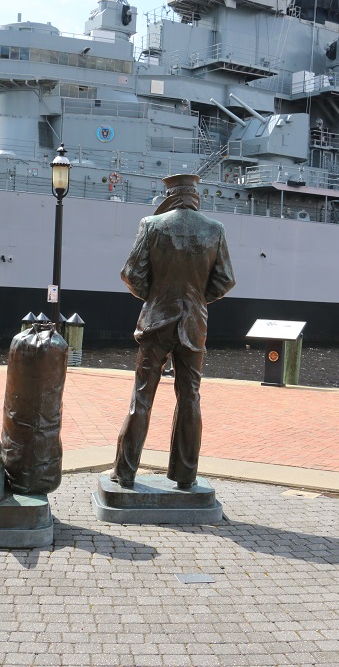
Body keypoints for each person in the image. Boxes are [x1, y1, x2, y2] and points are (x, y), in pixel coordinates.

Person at [111, 173, 235, 489]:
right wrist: (195, 300)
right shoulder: (214, 229)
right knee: (190, 397)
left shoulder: (151, 226)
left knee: (142, 398)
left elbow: (130, 273)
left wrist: (156, 297)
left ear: (170, 195)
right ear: (194, 195)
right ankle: (185, 474)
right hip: (194, 324)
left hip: (156, 321)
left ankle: (125, 472)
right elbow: (225, 280)